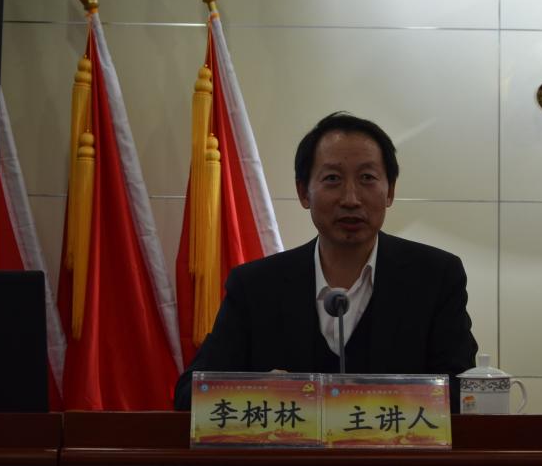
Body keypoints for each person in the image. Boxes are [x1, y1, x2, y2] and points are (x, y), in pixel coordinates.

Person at [173, 112, 478, 412]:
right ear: (303, 192)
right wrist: (261, 391)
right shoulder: (255, 287)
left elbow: (463, 394)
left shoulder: (435, 277)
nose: (351, 198)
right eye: (332, 179)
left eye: (367, 178)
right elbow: (189, 395)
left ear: (390, 191)